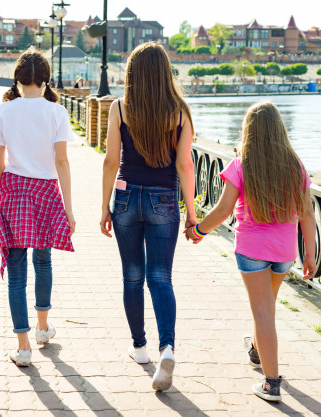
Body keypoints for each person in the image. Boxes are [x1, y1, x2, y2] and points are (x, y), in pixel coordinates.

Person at [185, 101, 316, 402]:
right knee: (267, 307)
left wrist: (199, 231)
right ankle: (257, 351)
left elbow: (222, 210)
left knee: (263, 311)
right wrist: (309, 254)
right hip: (285, 251)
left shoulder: (242, 164)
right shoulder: (295, 165)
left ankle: (271, 383)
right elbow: (307, 213)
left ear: (249, 130)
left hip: (252, 249)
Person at [100, 42, 196, 391]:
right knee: (160, 277)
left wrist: (103, 206)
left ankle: (139, 347)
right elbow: (185, 165)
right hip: (163, 200)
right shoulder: (180, 112)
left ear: (132, 74)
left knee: (131, 276)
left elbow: (111, 160)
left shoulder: (120, 108)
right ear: (164, 73)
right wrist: (192, 214)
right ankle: (167, 346)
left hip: (125, 197)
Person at [0, 51, 75, 367]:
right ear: (46, 79)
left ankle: (23, 347)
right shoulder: (57, 112)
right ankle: (42, 328)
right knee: (43, 259)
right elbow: (62, 161)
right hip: (46, 190)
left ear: (17, 78)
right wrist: (69, 208)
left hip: (13, 187)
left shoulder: (3, 110)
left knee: (16, 271)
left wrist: (3, 195)